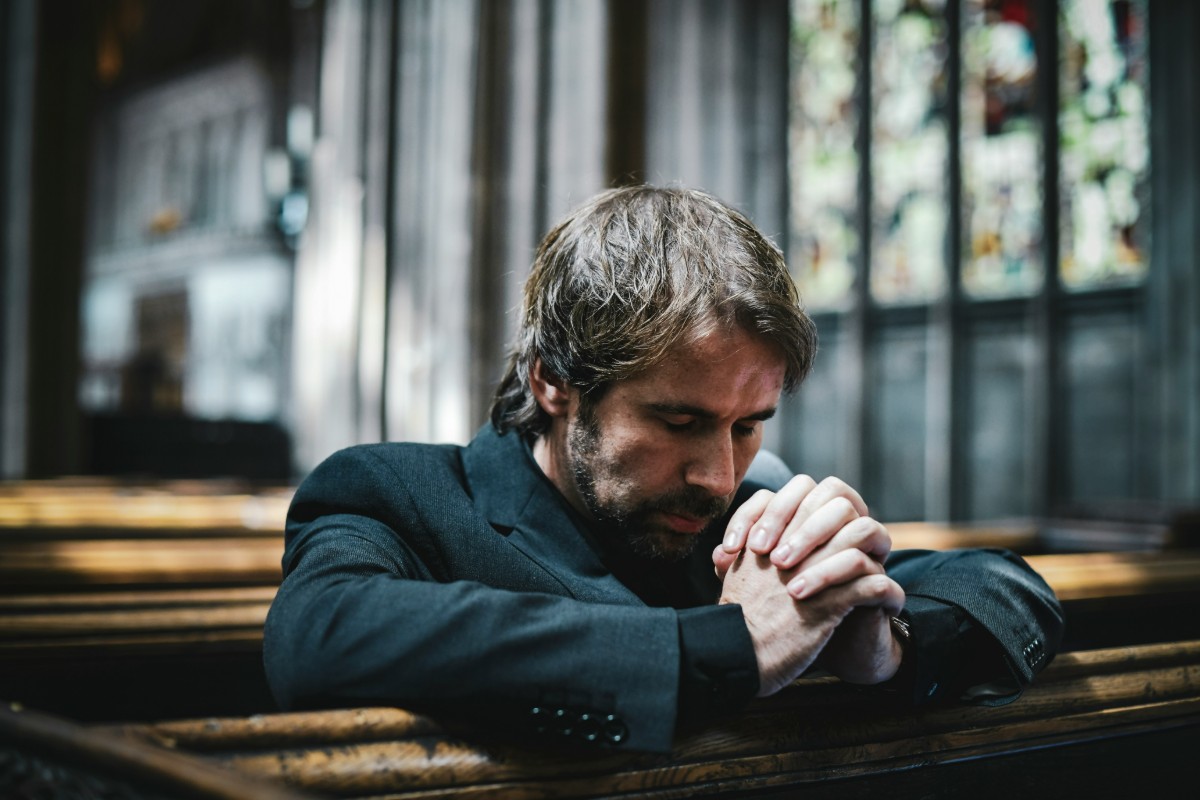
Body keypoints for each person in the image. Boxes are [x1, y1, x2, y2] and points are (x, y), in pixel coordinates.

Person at [264, 186, 1063, 753]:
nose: (719, 475)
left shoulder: (754, 499)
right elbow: (319, 641)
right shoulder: (402, 497)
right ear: (553, 381)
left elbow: (1008, 588)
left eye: (748, 425)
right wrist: (731, 646)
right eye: (678, 422)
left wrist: (887, 643)